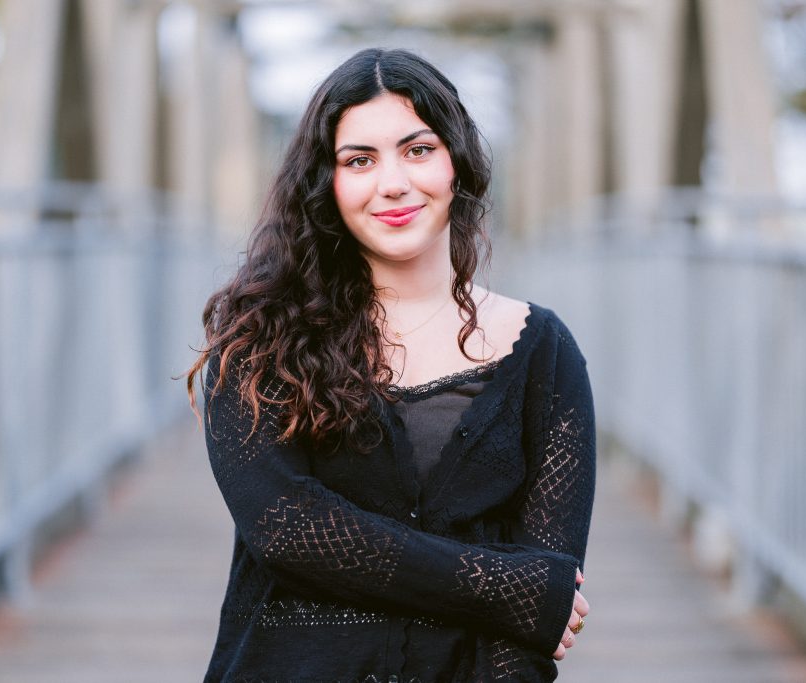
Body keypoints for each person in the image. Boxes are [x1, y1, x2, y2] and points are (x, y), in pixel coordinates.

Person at [186, 47, 595, 682]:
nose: (394, 184)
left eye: (418, 150)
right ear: (328, 183)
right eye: (359, 161)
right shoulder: (258, 343)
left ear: (457, 160)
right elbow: (289, 530)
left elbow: (541, 603)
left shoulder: (542, 350)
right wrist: (505, 587)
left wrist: (529, 597)